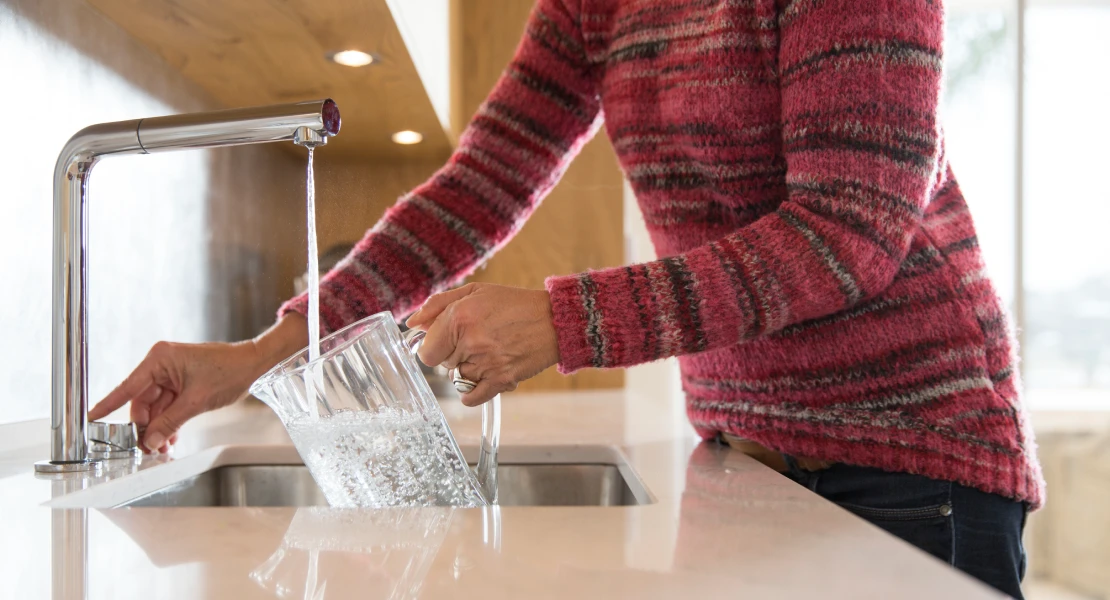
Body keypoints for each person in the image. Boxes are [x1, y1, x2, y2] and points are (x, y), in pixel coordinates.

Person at [89, 0, 1042, 596]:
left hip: (916, 466)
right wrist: (263, 354)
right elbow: (479, 186)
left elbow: (852, 230)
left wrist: (565, 320)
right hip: (748, 462)